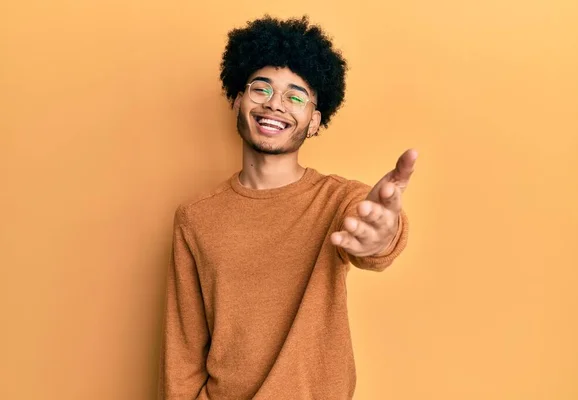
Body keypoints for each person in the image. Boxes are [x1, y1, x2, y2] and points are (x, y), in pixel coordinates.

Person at [158, 15, 418, 400]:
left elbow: (376, 233)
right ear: (236, 99)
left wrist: (380, 235)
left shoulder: (337, 200)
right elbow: (182, 352)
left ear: (314, 122)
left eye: (295, 96)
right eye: (260, 89)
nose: (275, 104)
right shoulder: (195, 217)